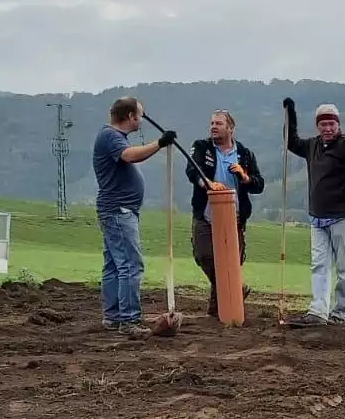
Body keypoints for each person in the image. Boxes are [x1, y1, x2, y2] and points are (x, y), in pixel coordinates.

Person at [283, 98, 345, 326]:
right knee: (319, 265)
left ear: (338, 124)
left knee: (344, 267)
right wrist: (290, 113)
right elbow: (291, 142)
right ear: (317, 126)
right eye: (323, 124)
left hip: (343, 215)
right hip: (318, 216)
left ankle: (340, 314)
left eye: (331, 124)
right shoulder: (312, 146)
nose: (327, 128)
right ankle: (318, 312)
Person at [93, 95, 176, 337]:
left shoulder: (113, 136)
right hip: (119, 211)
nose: (142, 119)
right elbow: (130, 155)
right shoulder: (110, 136)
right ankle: (129, 320)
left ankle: (113, 316)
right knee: (130, 264)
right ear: (130, 116)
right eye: (140, 115)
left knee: (114, 264)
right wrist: (159, 143)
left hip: (117, 210)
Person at [187, 110, 265, 317]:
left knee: (231, 262)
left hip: (235, 217)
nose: (213, 126)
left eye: (219, 123)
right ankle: (236, 288)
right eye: (212, 123)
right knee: (204, 255)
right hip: (206, 213)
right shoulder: (201, 147)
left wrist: (245, 176)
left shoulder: (245, 154)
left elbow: (259, 184)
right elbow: (192, 171)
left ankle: (218, 312)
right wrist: (208, 183)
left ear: (231, 128)